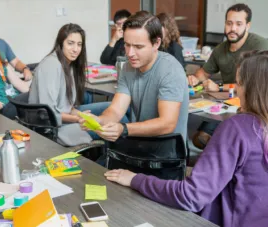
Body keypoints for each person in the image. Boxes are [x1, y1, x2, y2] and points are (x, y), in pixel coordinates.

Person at [105, 50, 268, 227]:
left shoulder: (237, 129)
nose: (235, 89)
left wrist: (135, 179)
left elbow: (191, 195)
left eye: (238, 82)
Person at [81, 11, 189, 142]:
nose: (130, 53)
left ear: (156, 43)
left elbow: (167, 124)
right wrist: (100, 120)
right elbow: (116, 110)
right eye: (127, 45)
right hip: (138, 143)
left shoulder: (170, 70)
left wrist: (124, 129)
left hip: (166, 153)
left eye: (138, 47)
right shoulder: (127, 67)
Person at [187, 3, 268, 149]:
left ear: (247, 25)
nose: (233, 29)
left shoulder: (261, 46)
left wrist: (217, 86)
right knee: (199, 139)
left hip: (253, 106)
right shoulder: (220, 50)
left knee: (236, 140)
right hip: (225, 105)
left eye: (238, 24)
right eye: (229, 23)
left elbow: (256, 85)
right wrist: (194, 78)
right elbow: (203, 73)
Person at [28, 23, 111, 146]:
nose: (76, 49)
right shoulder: (51, 65)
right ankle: (106, 162)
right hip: (53, 127)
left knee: (112, 107)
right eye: (70, 43)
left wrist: (81, 115)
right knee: (113, 125)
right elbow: (47, 113)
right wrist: (79, 119)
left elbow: (66, 106)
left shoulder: (68, 64)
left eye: (79, 44)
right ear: (61, 43)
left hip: (65, 117)